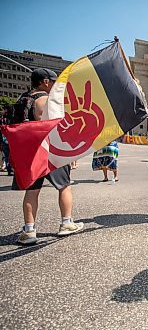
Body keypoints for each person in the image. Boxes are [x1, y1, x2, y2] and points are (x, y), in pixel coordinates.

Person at [13, 68, 83, 245]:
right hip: (49, 151)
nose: (55, 85)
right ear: (45, 82)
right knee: (64, 186)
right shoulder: (43, 99)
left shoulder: (22, 100)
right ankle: (66, 223)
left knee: (32, 190)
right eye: (53, 82)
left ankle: (29, 230)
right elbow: (54, 126)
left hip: (30, 152)